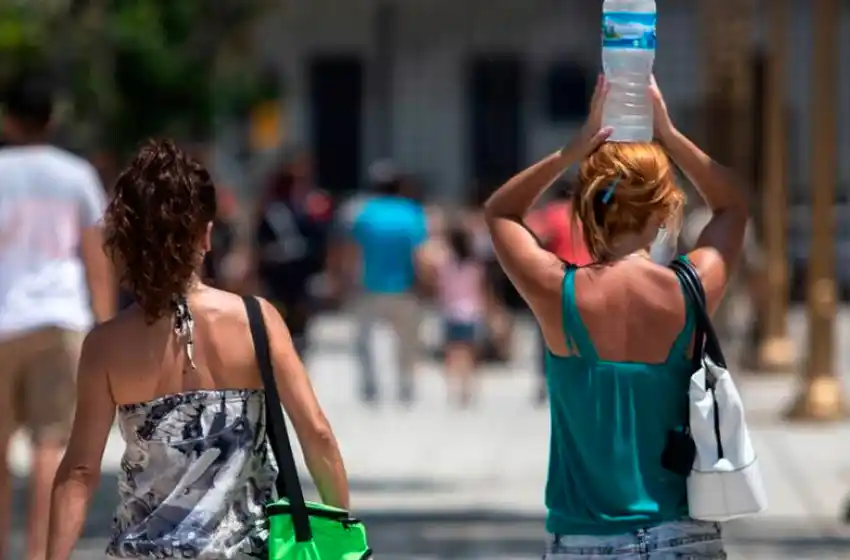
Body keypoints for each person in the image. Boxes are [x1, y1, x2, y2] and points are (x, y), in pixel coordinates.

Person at [46, 140, 349, 559]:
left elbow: (79, 472)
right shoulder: (256, 321)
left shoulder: (106, 345)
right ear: (206, 236)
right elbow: (315, 433)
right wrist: (340, 538)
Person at [484, 75, 747, 558]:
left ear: (589, 207)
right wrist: (667, 133)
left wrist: (572, 149)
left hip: (584, 541)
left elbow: (501, 212)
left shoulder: (557, 292)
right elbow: (732, 204)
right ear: (667, 209)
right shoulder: (691, 290)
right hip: (680, 538)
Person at [0, 71, 115, 560]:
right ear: (53, 118)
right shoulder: (76, 176)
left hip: (2, 319)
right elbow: (96, 258)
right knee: (51, 445)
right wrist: (106, 330)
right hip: (59, 318)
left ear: (8, 119)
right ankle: (40, 555)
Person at [339, 160, 428, 404]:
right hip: (405, 286)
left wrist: (346, 280)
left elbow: (352, 251)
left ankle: (370, 387)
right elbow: (419, 253)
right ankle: (406, 386)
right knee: (407, 342)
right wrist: (424, 284)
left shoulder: (364, 213)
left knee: (365, 342)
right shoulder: (412, 213)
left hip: (369, 285)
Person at [254, 155, 335, 358]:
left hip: (302, 274)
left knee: (299, 322)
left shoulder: (311, 206)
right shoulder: (271, 209)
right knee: (278, 320)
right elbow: (259, 244)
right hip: (278, 276)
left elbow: (321, 241)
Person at [527, 181, 594, 405]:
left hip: (559, 281)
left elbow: (531, 236)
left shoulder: (551, 214)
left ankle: (546, 382)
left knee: (548, 333)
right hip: (590, 280)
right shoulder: (590, 215)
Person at [436, 224, 486, 407]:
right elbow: (482, 291)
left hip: (450, 313)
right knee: (471, 355)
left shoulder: (445, 266)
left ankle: (453, 390)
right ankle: (469, 390)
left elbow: (441, 291)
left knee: (452, 354)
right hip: (472, 314)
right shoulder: (475, 266)